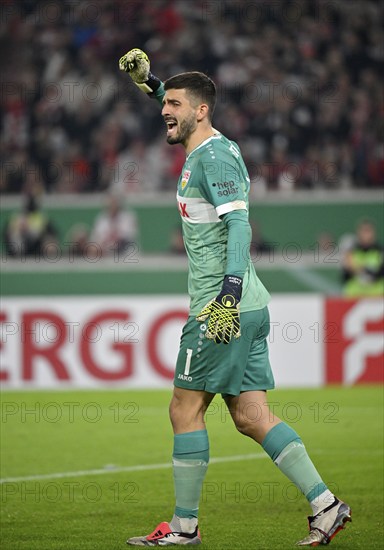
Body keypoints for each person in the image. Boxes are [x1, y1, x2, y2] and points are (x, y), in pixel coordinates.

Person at [118, 48, 352, 547]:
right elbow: (176, 106)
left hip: (222, 307)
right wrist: (152, 82)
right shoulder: (206, 145)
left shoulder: (215, 157)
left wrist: (225, 296)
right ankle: (326, 506)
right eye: (165, 105)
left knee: (184, 409)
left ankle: (183, 529)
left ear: (201, 110)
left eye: (175, 105)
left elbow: (240, 223)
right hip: (248, 306)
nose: (166, 111)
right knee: (251, 417)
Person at [341, 219, 384, 297]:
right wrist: (348, 269)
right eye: (363, 231)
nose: (366, 235)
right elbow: (344, 277)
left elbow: (380, 274)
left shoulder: (380, 251)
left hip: (376, 297)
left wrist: (362, 270)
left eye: (368, 231)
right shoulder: (351, 252)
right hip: (354, 297)